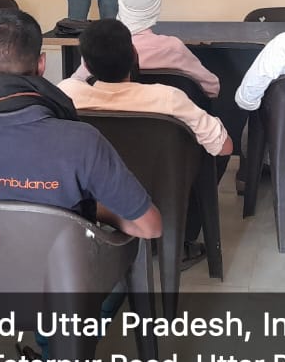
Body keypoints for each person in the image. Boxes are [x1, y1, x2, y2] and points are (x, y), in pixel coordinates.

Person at [0, 9, 161, 240]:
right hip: (62, 271)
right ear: (41, 64)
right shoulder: (82, 141)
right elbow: (150, 227)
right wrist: (92, 210)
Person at [60, 20, 229, 270]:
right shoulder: (167, 98)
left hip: (95, 189)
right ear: (134, 55)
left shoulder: (67, 94)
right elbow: (224, 147)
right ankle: (181, 236)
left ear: (85, 65)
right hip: (164, 182)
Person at [71, 0, 219, 98]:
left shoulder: (99, 48)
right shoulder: (173, 49)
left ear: (120, 3)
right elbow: (212, 88)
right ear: (156, 6)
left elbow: (75, 87)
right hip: (169, 124)